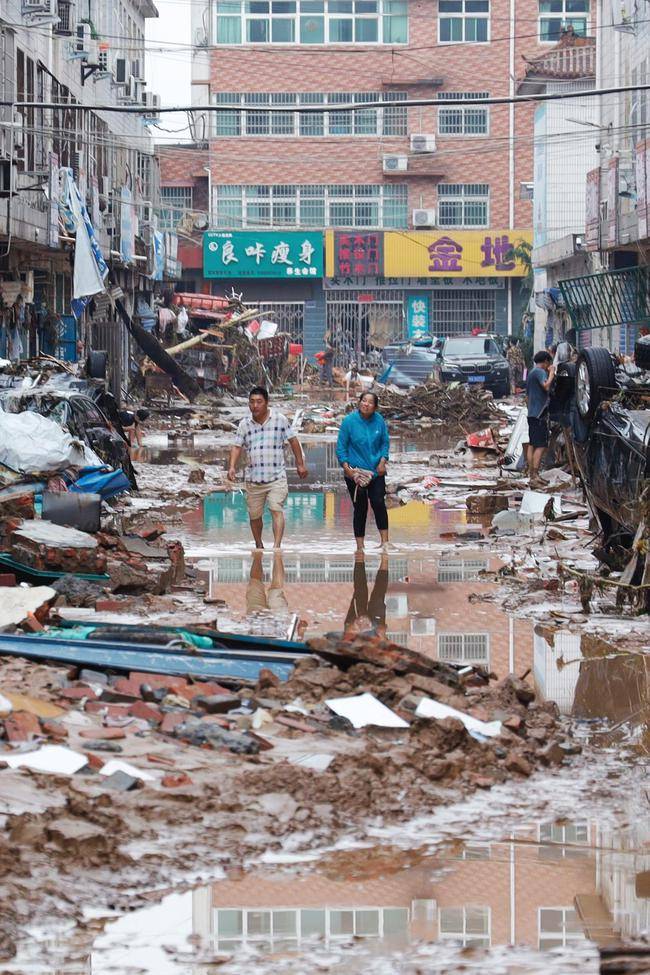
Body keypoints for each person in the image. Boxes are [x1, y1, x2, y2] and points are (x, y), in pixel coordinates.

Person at [228, 386, 308, 550]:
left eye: (259, 402)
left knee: (275, 508)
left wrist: (300, 464)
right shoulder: (244, 424)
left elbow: (293, 440)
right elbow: (237, 446)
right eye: (252, 402)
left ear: (266, 403)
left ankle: (277, 546)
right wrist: (232, 467)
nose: (255, 406)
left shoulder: (280, 420)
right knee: (254, 516)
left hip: (276, 477)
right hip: (253, 479)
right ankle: (259, 544)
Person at [336, 391, 390, 554]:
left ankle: (385, 543)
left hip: (375, 470)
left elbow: (385, 443)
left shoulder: (379, 420)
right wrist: (347, 469)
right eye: (363, 401)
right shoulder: (349, 422)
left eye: (370, 402)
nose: (366, 404)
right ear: (359, 403)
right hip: (355, 472)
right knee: (360, 508)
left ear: (375, 406)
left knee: (379, 503)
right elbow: (341, 447)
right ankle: (360, 546)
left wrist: (383, 461)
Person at [526, 350, 555, 487]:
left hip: (531, 413)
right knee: (541, 445)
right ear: (546, 362)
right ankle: (535, 476)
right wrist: (552, 373)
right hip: (539, 414)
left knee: (532, 444)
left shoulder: (531, 373)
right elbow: (546, 385)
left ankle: (532, 475)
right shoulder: (540, 372)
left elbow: (527, 396)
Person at [343, 553, 389, 641]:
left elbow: (346, 635)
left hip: (355, 630)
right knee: (379, 595)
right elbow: (386, 641)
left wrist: (355, 626)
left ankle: (359, 557)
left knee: (360, 592)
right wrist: (382, 634)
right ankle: (385, 560)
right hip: (375, 628)